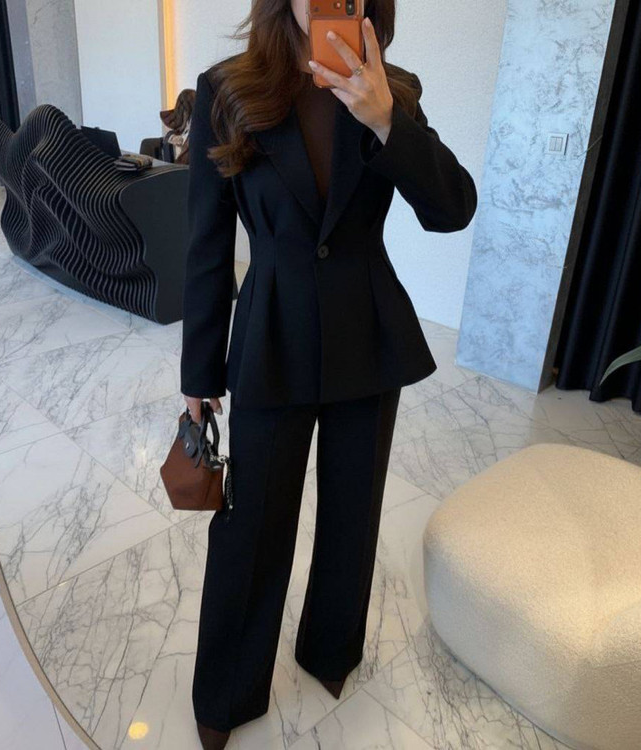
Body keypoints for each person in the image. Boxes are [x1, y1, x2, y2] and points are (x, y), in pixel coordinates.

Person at [180, 1, 477, 747]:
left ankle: (331, 650)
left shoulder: (394, 89)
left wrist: (387, 122)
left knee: (353, 512)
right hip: (270, 338)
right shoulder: (227, 88)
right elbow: (207, 245)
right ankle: (227, 690)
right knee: (252, 524)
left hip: (367, 336)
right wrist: (199, 372)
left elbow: (452, 210)